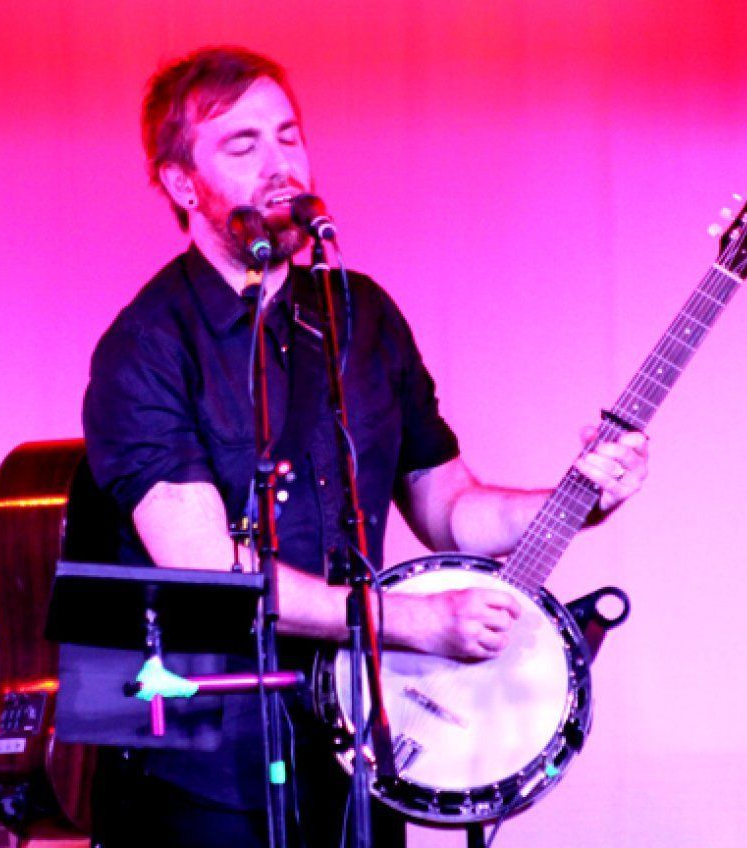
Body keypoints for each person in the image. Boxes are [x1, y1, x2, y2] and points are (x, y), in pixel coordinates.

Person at [82, 46, 649, 848]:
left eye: (289, 136)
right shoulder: (145, 347)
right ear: (181, 183)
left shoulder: (362, 317)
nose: (280, 165)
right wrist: (413, 623)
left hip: (360, 749)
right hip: (204, 768)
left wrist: (579, 497)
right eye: (242, 147)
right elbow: (207, 569)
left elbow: (450, 512)